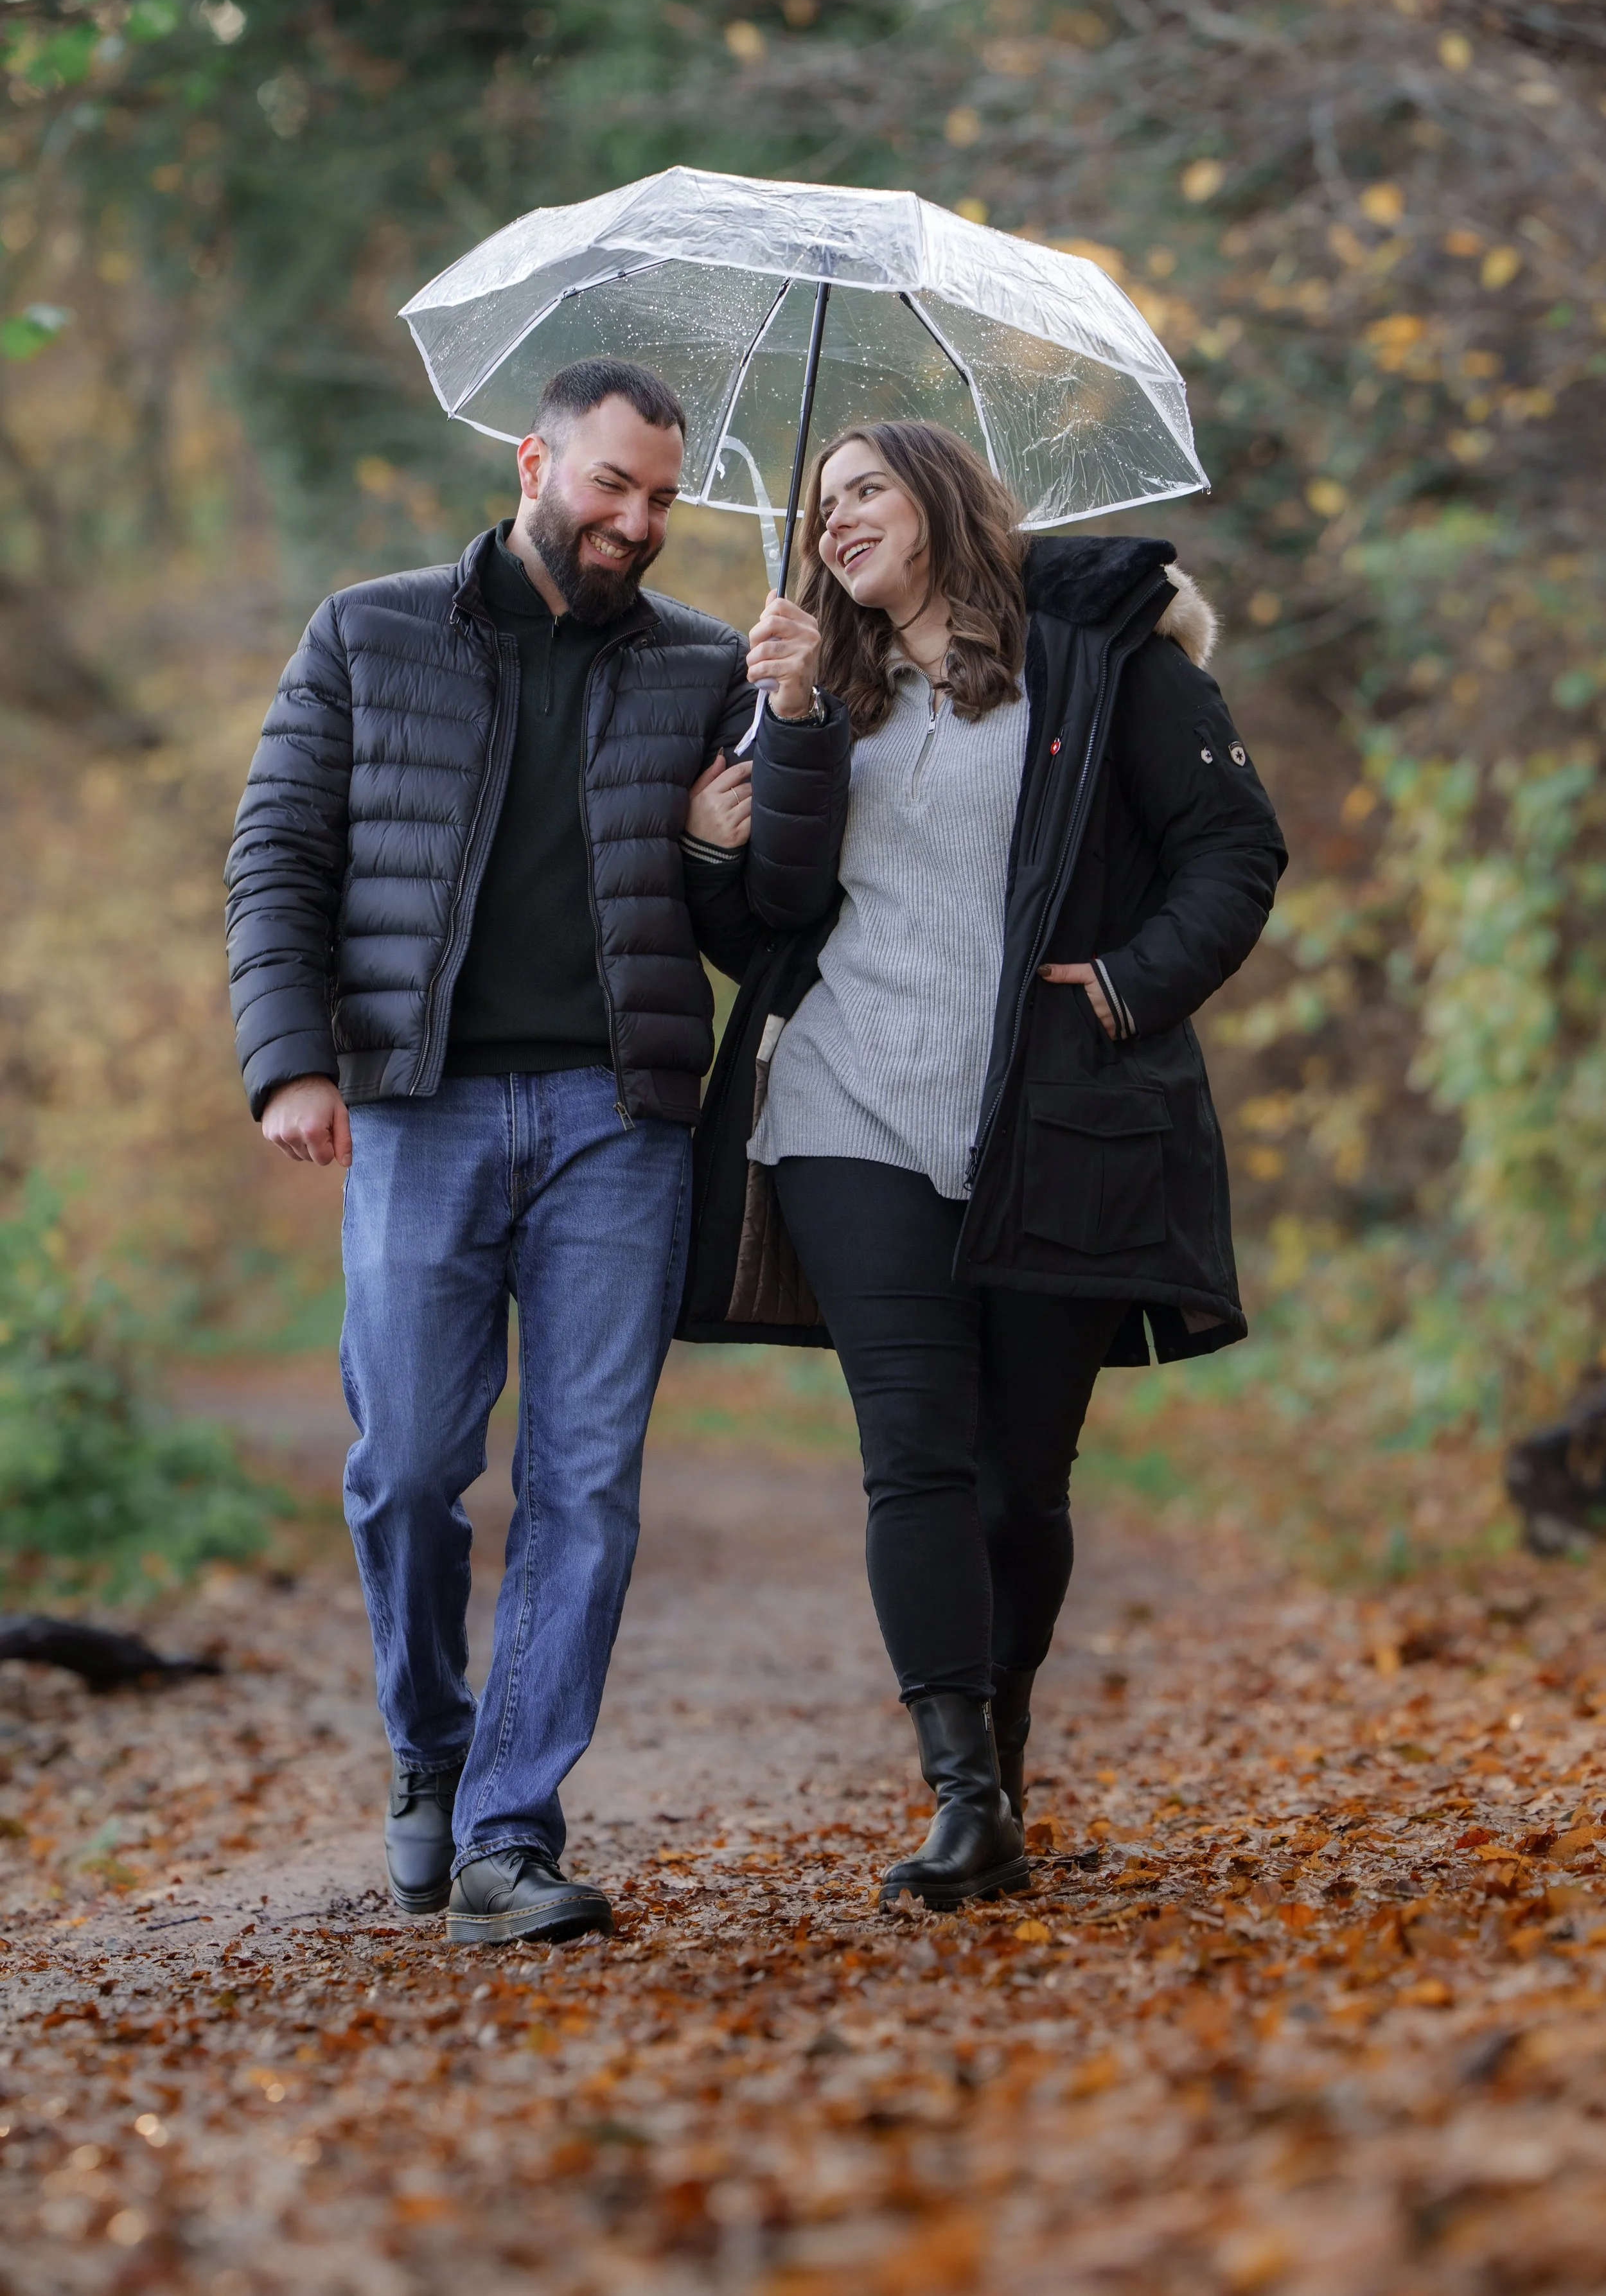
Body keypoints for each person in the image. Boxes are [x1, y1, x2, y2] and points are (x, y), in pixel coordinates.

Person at [225, 357, 846, 1945]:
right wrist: (289, 1062)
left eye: (660, 497)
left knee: (583, 1481)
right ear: (533, 461)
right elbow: (279, 854)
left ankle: (510, 1825)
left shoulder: (709, 665)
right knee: (411, 1467)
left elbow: (759, 921)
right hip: (420, 1110)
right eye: (610, 486)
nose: (637, 520)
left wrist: (787, 738)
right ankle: (429, 1751)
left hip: (617, 1121)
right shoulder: (367, 633)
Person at [679, 420, 1286, 1911]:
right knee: (916, 1451)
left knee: (1020, 1479)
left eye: (862, 490)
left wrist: (1131, 983)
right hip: (848, 1101)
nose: (832, 524)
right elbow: (767, 920)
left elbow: (1233, 848)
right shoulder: (805, 680)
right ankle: (960, 1793)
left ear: (942, 498)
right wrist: (723, 824)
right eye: (820, 506)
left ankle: (1002, 1754)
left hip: (1049, 1117)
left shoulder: (1106, 658)